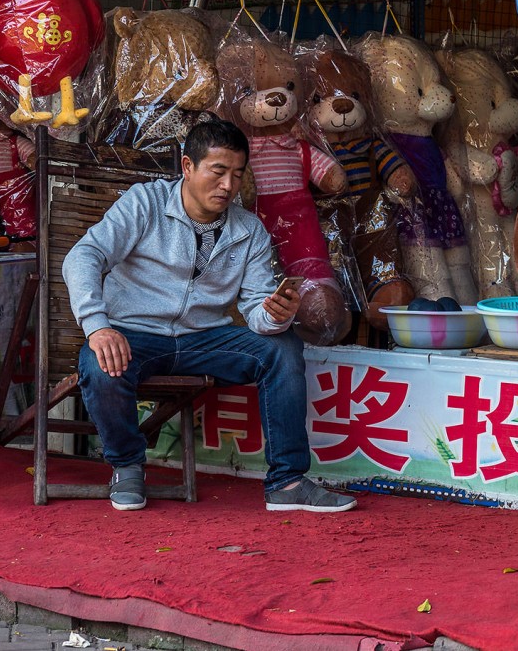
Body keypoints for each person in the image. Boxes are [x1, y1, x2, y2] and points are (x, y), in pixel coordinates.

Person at [63, 118, 357, 513]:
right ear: (188, 167)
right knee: (99, 366)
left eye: (237, 175)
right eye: (218, 172)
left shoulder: (249, 229)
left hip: (204, 339)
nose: (228, 186)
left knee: (282, 348)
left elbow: (255, 311)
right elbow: (84, 255)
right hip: (135, 333)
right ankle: (127, 463)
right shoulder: (144, 203)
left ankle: (287, 482)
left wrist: (275, 315)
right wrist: (97, 326)